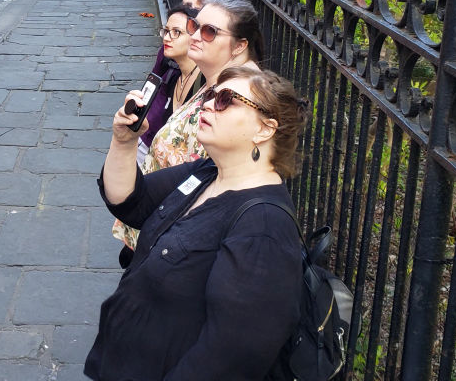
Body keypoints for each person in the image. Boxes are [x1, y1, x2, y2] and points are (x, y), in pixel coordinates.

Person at [85, 65, 309, 380]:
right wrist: (124, 142)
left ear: (264, 129)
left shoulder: (264, 229)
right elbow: (130, 202)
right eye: (210, 94)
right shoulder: (206, 173)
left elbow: (230, 356)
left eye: (225, 99)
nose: (206, 103)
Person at [114, 0, 264, 251]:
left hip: (176, 240)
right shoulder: (215, 81)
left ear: (239, 46)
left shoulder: (239, 97)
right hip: (159, 225)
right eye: (195, 26)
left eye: (209, 32)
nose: (194, 35)